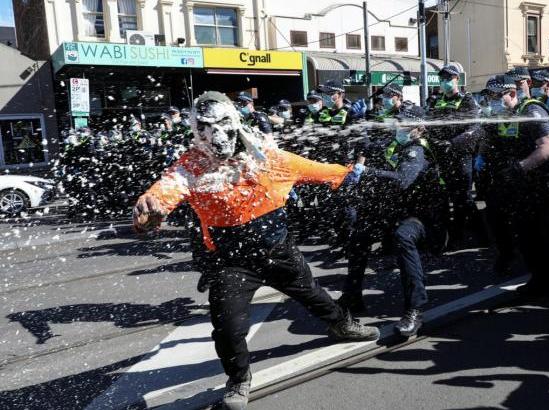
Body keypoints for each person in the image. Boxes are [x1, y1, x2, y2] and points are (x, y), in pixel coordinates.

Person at [132, 91, 379, 410]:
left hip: (279, 252)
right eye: (205, 127)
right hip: (231, 263)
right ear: (197, 130)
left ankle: (343, 324)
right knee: (227, 325)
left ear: (234, 123)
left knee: (315, 295)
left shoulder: (269, 157)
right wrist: (145, 214)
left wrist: (350, 173)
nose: (214, 134)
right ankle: (238, 381)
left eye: (220, 124)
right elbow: (161, 195)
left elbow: (321, 170)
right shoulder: (190, 166)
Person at [340, 104, 448, 336]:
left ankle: (415, 308)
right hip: (394, 211)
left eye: (405, 124)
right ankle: (352, 296)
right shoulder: (396, 144)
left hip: (422, 216)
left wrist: (367, 172)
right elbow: (369, 148)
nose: (399, 127)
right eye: (398, 122)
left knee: (403, 238)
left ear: (419, 128)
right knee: (360, 233)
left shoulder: (418, 150)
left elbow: (402, 180)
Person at [479, 74, 549, 298]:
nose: (492, 101)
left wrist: (519, 167)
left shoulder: (531, 112)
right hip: (522, 187)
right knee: (526, 236)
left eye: (496, 96)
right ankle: (540, 280)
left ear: (512, 93)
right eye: (489, 97)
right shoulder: (504, 115)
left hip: (545, 183)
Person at [427, 63, 481, 240]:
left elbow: (472, 127)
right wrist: (435, 141)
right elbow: (431, 126)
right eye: (442, 79)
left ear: (457, 79)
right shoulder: (436, 101)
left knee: (463, 195)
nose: (444, 82)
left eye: (448, 78)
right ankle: (456, 232)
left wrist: (452, 142)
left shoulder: (467, 100)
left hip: (461, 153)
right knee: (447, 194)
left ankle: (474, 232)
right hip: (442, 154)